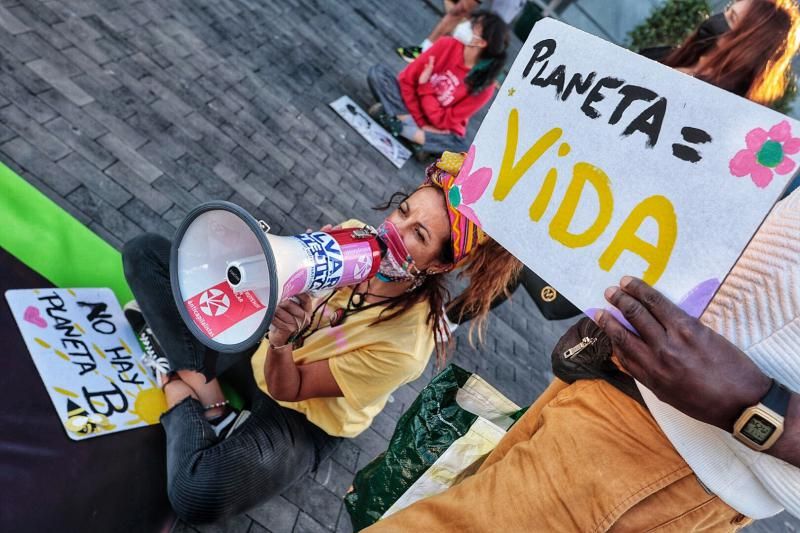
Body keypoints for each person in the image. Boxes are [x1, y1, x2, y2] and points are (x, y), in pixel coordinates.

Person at [364, 0, 800, 530]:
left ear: (754, 36)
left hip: (689, 447)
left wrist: (758, 409)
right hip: (608, 366)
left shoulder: (749, 127)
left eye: (736, 11)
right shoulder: (673, 60)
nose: (723, 10)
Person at [121, 153, 521, 524]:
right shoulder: (350, 238)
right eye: (403, 211)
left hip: (303, 413)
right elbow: (263, 287)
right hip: (259, 347)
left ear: (437, 264)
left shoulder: (406, 346)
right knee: (148, 254)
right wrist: (290, 267)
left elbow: (289, 387)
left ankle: (183, 385)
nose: (393, 231)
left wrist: (281, 339)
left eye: (417, 234)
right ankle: (210, 398)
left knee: (197, 492)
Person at [367, 10, 509, 155]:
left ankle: (397, 122)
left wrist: (425, 85)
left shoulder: (485, 86)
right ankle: (415, 137)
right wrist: (419, 123)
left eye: (473, 27)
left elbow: (445, 121)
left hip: (435, 124)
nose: (465, 26)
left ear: (481, 42)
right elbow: (406, 80)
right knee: (379, 74)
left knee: (460, 147)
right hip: (418, 115)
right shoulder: (446, 44)